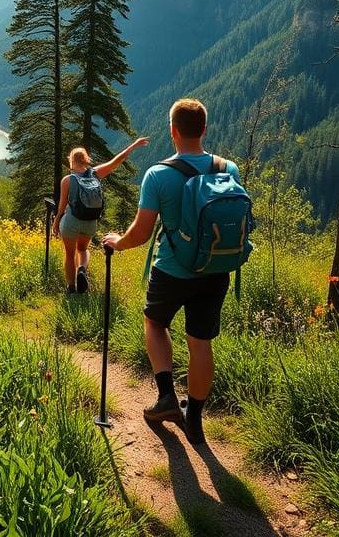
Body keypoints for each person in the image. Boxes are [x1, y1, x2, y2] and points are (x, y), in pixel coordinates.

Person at [102, 98, 238, 445]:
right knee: (200, 343)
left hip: (172, 270)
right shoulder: (228, 169)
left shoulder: (159, 174)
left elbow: (141, 233)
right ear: (204, 130)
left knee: (155, 323)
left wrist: (117, 242)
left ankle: (166, 397)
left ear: (173, 131)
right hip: (214, 269)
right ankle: (194, 418)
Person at [52, 137, 149, 294]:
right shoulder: (96, 174)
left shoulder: (67, 180)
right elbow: (117, 160)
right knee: (83, 250)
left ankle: (71, 289)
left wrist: (56, 222)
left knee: (70, 255)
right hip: (90, 222)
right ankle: (82, 269)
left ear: (71, 161)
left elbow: (62, 206)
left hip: (71, 221)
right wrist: (135, 145)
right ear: (86, 160)